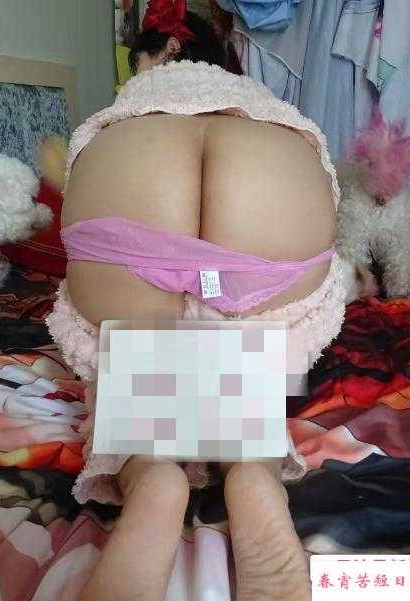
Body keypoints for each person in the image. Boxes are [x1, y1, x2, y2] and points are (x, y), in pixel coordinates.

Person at [48, 2, 350, 599]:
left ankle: (150, 477)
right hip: (267, 221)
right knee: (243, 353)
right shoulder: (262, 104)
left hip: (128, 228)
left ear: (164, 54)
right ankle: (252, 471)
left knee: (139, 360)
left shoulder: (130, 109)